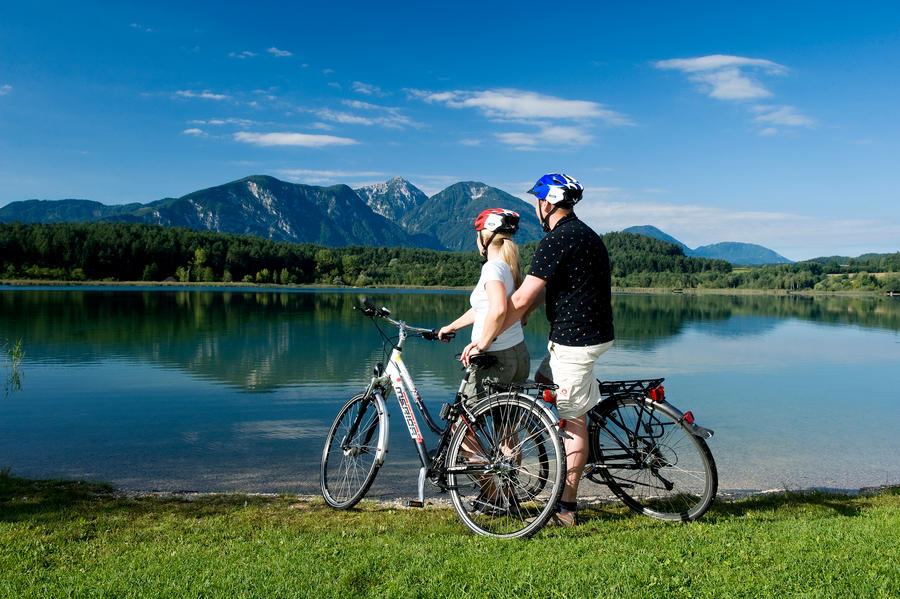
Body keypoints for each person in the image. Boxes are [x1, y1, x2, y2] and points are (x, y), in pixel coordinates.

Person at [506, 173, 615, 527]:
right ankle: (551, 458)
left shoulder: (556, 240)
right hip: (584, 338)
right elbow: (548, 292)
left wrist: (493, 328)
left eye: (537, 201)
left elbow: (522, 296)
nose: (537, 208)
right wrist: (523, 314)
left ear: (547, 203)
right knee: (543, 381)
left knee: (572, 420)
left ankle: (565, 507)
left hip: (575, 343)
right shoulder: (587, 236)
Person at [438, 208, 529, 401]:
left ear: (485, 239)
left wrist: (480, 346)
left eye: (477, 236)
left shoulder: (492, 268)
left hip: (494, 359)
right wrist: (451, 326)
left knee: (464, 424)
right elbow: (484, 308)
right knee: (504, 427)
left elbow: (498, 309)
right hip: (518, 354)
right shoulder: (510, 267)